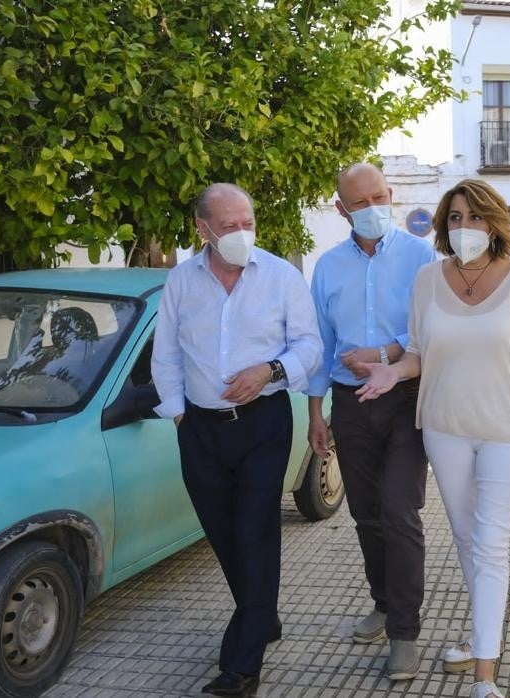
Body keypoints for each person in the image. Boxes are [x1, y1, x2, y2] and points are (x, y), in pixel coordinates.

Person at [355, 178, 510, 698]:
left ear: (495, 223)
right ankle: (480, 637)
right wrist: (392, 372)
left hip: (509, 429)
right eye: (456, 219)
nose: (465, 227)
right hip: (444, 428)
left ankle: (485, 675)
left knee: (489, 544)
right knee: (467, 539)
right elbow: (418, 351)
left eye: (475, 217)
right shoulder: (427, 280)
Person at [152, 184, 322, 698]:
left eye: (246, 221)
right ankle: (262, 615)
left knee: (255, 531)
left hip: (263, 424)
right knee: (222, 533)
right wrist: (180, 415)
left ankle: (242, 665)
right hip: (200, 429)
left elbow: (310, 345)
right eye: (228, 225)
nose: (240, 233)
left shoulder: (280, 276)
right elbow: (166, 354)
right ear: (201, 229)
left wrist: (271, 370)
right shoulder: (181, 281)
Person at [306, 163, 436, 680]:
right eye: (360, 203)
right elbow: (318, 344)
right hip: (351, 401)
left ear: (393, 195)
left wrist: (384, 352)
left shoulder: (421, 257)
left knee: (399, 510)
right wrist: (317, 413)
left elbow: (432, 332)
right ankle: (382, 603)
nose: (372, 209)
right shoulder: (327, 267)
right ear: (341, 209)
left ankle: (404, 631)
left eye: (379, 197)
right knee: (365, 514)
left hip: (406, 396)